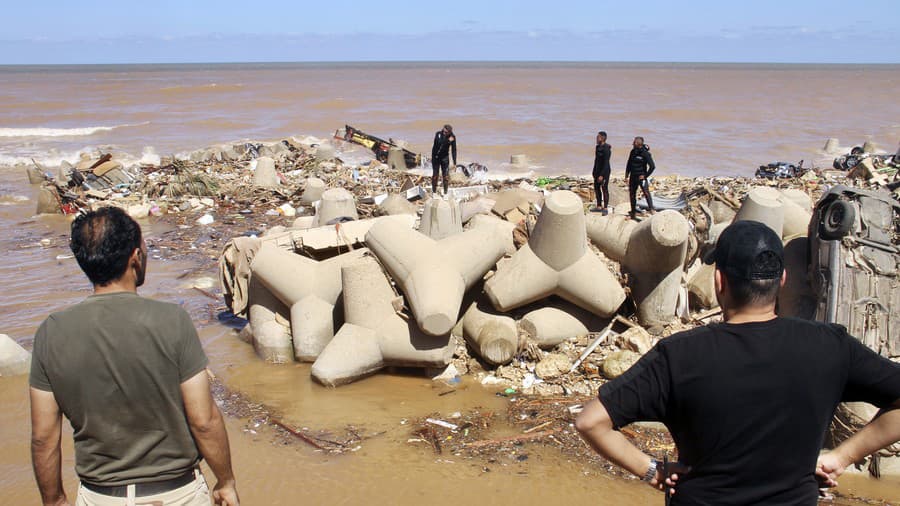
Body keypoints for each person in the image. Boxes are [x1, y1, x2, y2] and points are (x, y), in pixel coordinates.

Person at [575, 220, 900, 505]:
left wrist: (651, 471)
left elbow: (590, 421)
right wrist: (842, 456)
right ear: (782, 280)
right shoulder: (831, 346)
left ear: (719, 282)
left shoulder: (679, 355)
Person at [30, 207, 239, 506]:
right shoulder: (172, 321)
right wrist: (225, 480)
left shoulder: (50, 333)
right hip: (177, 494)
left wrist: (54, 500)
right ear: (135, 257)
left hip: (99, 496)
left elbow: (43, 437)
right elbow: (203, 420)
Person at [624, 136, 655, 219]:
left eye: (634, 142)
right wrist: (626, 176)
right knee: (632, 195)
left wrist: (645, 176)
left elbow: (652, 166)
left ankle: (652, 210)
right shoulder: (633, 152)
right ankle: (633, 213)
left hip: (641, 177)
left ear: (638, 144)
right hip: (633, 177)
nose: (632, 144)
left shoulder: (645, 153)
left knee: (646, 192)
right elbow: (629, 164)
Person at [431, 124, 457, 195]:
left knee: (446, 176)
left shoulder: (452, 137)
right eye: (443, 131)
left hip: (445, 157)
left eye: (446, 132)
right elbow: (439, 143)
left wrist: (455, 163)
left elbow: (454, 150)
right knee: (435, 175)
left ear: (449, 132)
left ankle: (445, 193)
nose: (444, 133)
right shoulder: (438, 134)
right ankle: (434, 192)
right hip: (436, 156)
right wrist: (448, 140)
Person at [592, 131, 611, 214]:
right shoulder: (597, 147)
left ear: (602, 138)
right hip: (597, 171)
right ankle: (599, 206)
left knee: (604, 189)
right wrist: (594, 171)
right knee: (596, 188)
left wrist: (602, 175)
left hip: (605, 172)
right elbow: (596, 160)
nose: (596, 138)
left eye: (598, 137)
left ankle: (605, 208)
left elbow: (606, 163)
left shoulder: (606, 148)